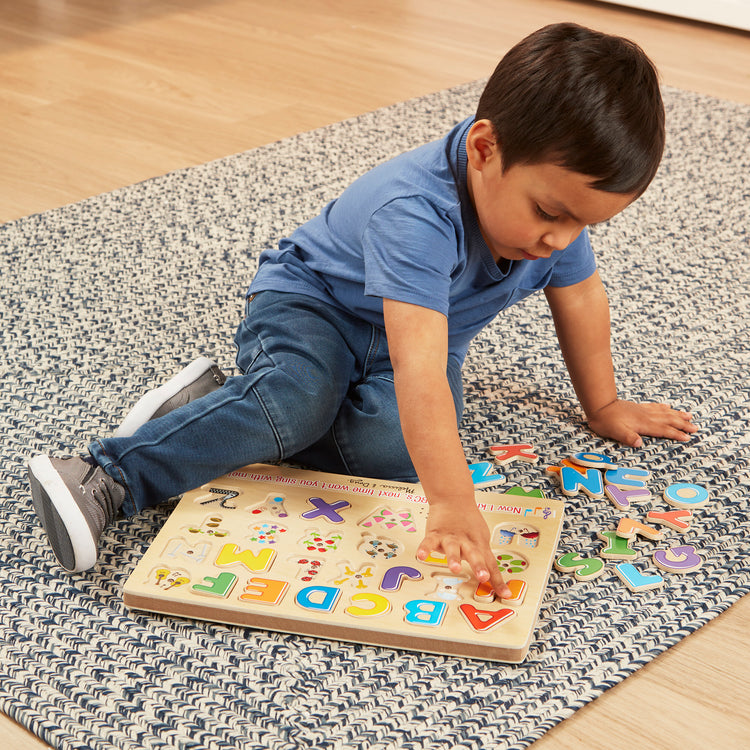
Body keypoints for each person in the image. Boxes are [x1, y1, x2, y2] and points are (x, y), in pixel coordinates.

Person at [27, 22, 697, 597]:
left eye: (585, 225)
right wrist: (455, 502)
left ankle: (214, 414)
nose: (560, 240)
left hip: (410, 347)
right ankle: (110, 473)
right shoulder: (416, 212)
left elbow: (579, 296)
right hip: (313, 307)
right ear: (484, 149)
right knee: (299, 404)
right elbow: (418, 371)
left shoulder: (558, 225)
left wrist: (603, 405)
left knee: (391, 455)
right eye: (550, 213)